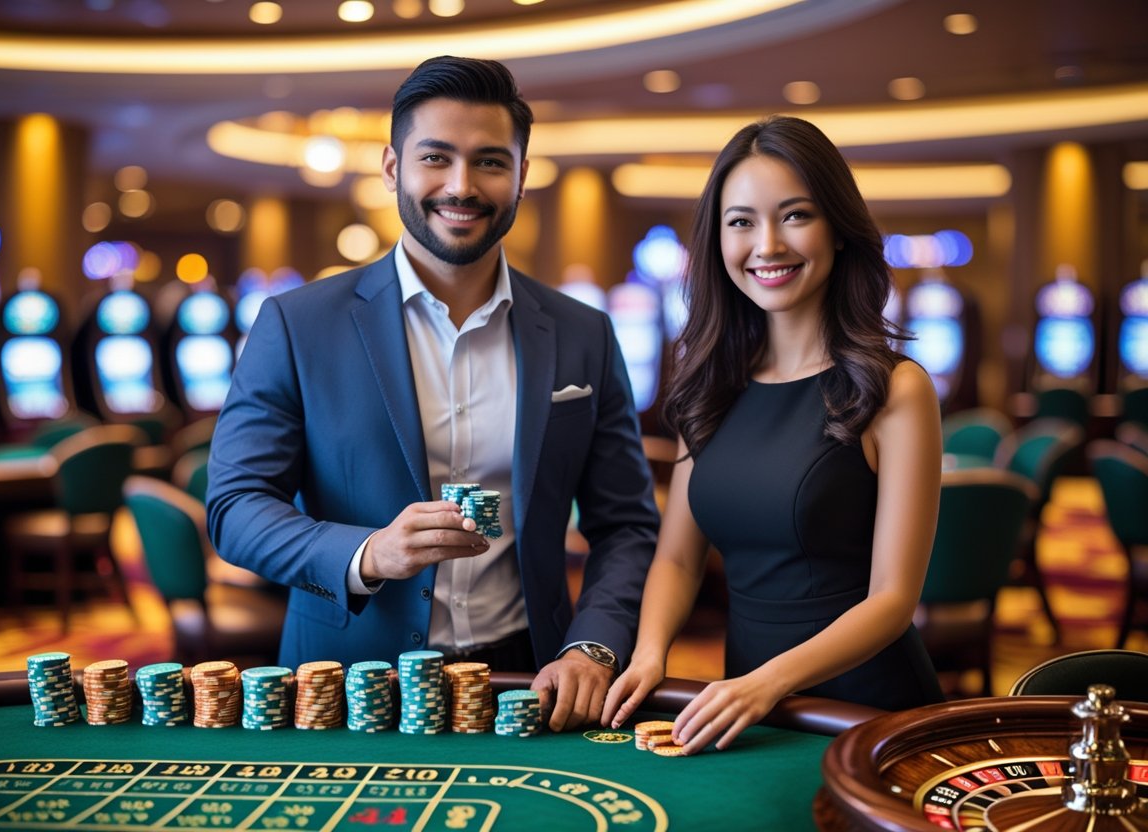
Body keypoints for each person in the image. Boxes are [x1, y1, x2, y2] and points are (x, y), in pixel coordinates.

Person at [206, 56, 659, 731]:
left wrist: (592, 646)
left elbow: (625, 526)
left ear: (522, 175)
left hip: (530, 679)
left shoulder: (583, 331)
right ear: (393, 167)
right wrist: (367, 554)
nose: (461, 186)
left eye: (490, 162)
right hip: (349, 685)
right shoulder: (296, 324)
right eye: (436, 158)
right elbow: (236, 509)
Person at [603, 115, 945, 754]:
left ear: (838, 230)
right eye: (741, 222)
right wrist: (650, 653)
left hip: (862, 710)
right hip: (745, 708)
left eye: (794, 215)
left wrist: (767, 683)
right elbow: (678, 559)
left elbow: (893, 600)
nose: (767, 245)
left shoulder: (895, 388)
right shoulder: (710, 386)